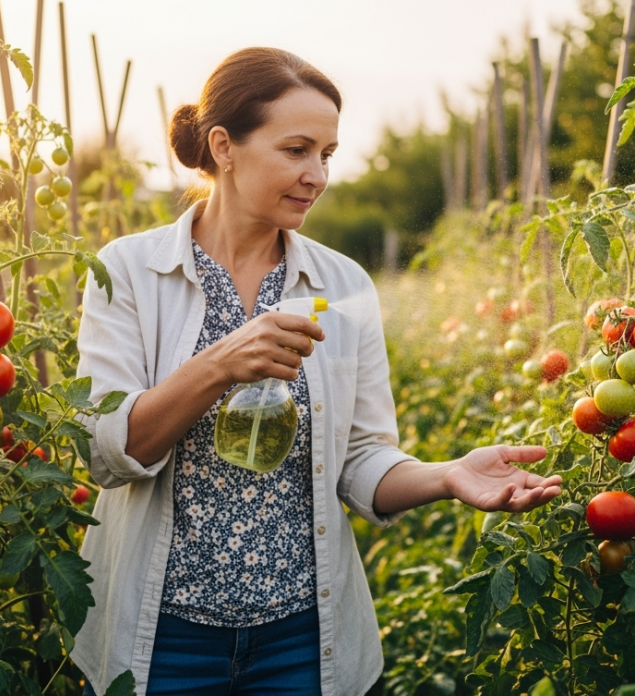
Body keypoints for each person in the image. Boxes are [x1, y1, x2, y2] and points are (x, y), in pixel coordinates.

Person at [70, 47, 563, 696]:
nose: (317, 175)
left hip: (299, 638)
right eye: (296, 149)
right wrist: (221, 363)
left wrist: (445, 476)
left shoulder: (342, 283)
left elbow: (360, 459)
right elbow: (106, 453)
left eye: (326, 154)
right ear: (223, 146)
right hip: (162, 636)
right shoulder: (130, 270)